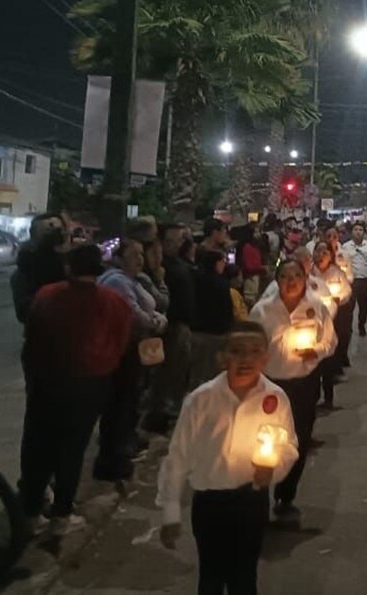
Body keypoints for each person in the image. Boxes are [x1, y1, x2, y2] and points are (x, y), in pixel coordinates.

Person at [158, 320, 299, 595]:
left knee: (244, 576)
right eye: (237, 351)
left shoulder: (275, 398)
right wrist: (170, 510)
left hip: (251, 500)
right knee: (211, 575)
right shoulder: (201, 400)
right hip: (210, 503)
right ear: (222, 358)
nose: (246, 359)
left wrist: (274, 470)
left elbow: (288, 446)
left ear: (266, 357)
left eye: (254, 351)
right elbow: (178, 456)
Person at [19, 244, 133, 533]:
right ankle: (61, 514)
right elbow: (120, 344)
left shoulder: (48, 296)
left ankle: (30, 510)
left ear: (70, 267)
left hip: (48, 382)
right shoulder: (114, 302)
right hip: (91, 385)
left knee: (38, 445)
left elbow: (32, 341)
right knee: (73, 448)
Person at [249, 259, 336, 524]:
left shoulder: (316, 306)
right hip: (269, 386)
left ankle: (285, 496)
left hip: (303, 383)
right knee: (263, 443)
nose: (291, 281)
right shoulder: (262, 311)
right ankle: (258, 497)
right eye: (285, 276)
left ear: (304, 278)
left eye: (296, 275)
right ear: (277, 280)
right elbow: (250, 345)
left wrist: (317, 351)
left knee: (298, 440)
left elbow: (330, 340)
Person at [95, 239, 167, 481]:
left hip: (136, 346)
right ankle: (113, 457)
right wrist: (154, 321)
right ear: (119, 257)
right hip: (124, 349)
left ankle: (124, 447)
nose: (140, 259)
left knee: (130, 400)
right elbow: (132, 312)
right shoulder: (116, 280)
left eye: (141, 255)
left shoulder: (132, 280)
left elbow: (150, 304)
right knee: (120, 403)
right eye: (134, 254)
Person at [144, 224, 196, 435]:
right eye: (171, 241)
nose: (176, 245)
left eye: (179, 241)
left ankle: (166, 411)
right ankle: (157, 416)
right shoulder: (159, 268)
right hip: (169, 327)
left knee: (176, 373)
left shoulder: (179, 262)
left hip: (182, 325)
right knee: (163, 375)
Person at [309, 244, 352, 410]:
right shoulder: (309, 273)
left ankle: (328, 398)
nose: (321, 255)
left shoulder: (337, 273)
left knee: (328, 360)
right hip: (311, 324)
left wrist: (337, 299)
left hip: (332, 320)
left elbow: (346, 292)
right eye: (317, 251)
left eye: (325, 252)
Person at [191, 249, 236, 388]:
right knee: (213, 371)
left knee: (197, 372)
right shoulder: (221, 284)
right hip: (217, 333)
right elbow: (227, 309)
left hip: (197, 331)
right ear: (216, 264)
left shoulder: (194, 279)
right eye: (222, 262)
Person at [341, 221, 367, 337]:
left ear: (364, 233)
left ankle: (362, 325)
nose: (358, 232)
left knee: (363, 305)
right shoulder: (346, 247)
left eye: (360, 230)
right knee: (349, 306)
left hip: (364, 280)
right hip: (350, 281)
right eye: (355, 230)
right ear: (352, 232)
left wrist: (366, 271)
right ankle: (348, 327)